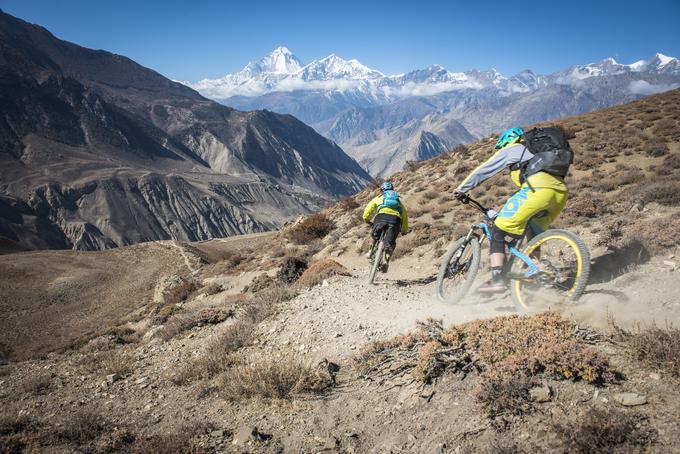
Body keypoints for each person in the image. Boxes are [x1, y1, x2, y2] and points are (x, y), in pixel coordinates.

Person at [453, 127, 569, 293]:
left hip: (537, 189)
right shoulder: (539, 154)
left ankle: (497, 279)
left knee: (498, 230)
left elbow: (484, 170)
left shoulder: (512, 149)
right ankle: (536, 271)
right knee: (533, 235)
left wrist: (461, 189)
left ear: (507, 141)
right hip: (559, 193)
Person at [362, 181, 409, 272]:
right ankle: (386, 262)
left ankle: (370, 251)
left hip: (381, 218)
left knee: (374, 236)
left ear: (382, 190)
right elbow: (405, 216)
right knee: (390, 244)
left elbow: (369, 207)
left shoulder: (379, 197)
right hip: (395, 221)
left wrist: (366, 219)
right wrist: (404, 230)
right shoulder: (398, 201)